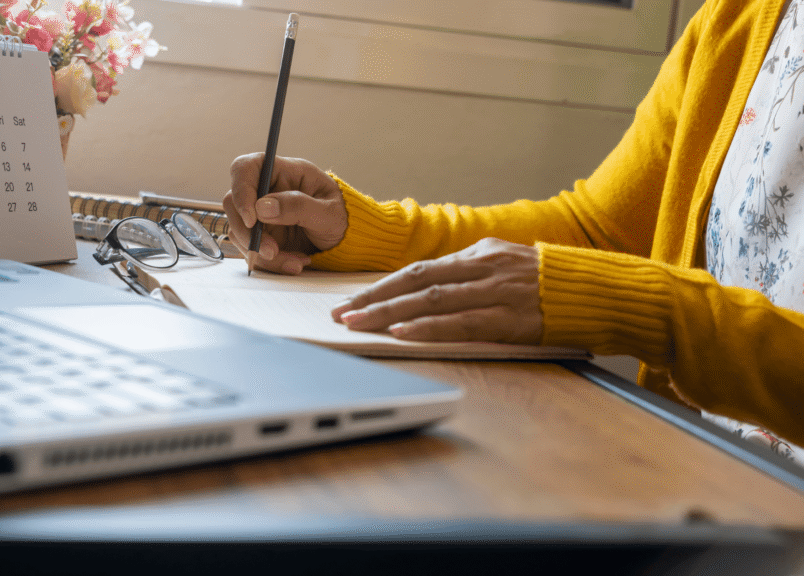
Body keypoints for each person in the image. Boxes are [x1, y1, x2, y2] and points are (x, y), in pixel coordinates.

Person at [222, 0, 804, 457]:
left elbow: (611, 277)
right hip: (715, 474)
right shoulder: (742, 14)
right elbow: (597, 230)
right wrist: (361, 232)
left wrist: (661, 311)